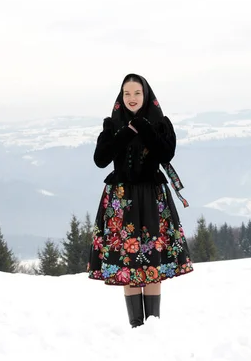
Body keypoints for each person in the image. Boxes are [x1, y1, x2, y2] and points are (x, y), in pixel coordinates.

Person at [87, 73, 194, 328]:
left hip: (152, 198)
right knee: (129, 263)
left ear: (146, 96)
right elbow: (100, 159)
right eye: (127, 94)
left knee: (152, 260)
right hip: (121, 201)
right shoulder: (112, 125)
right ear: (120, 98)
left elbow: (167, 152)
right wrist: (125, 133)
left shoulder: (160, 123)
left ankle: (153, 328)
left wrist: (144, 127)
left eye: (137, 93)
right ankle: (137, 328)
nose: (132, 98)